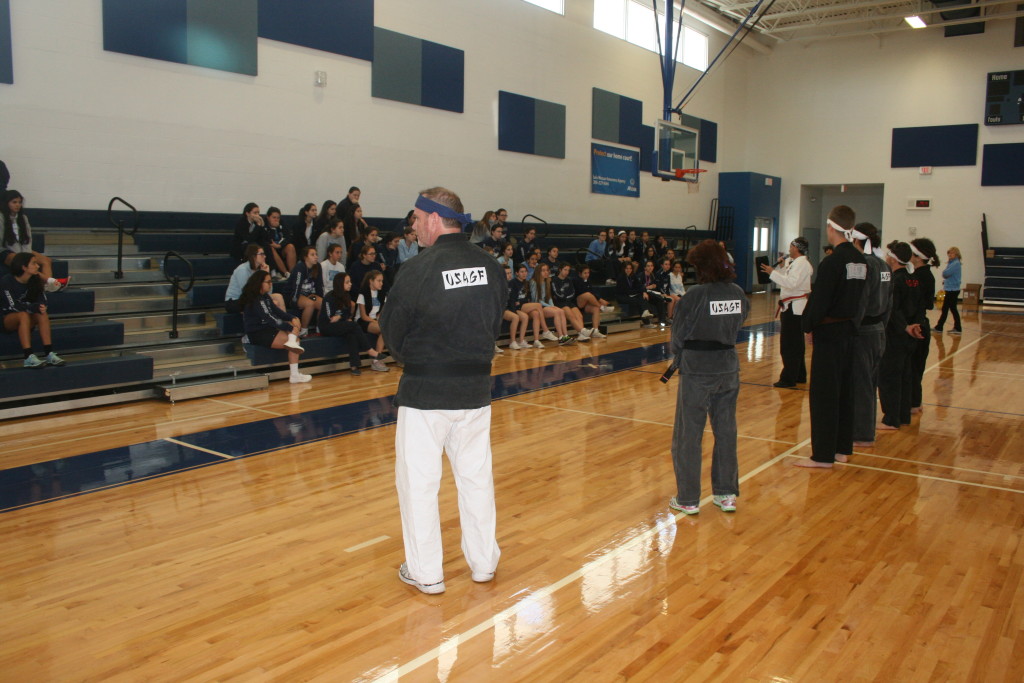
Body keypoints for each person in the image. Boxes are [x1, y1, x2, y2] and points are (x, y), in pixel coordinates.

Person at [378, 186, 508, 594]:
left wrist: (417, 358)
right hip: (475, 392)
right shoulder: (492, 267)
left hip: (425, 394)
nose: (412, 227)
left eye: (416, 218)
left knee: (418, 484)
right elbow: (493, 321)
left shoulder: (417, 270)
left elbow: (392, 333)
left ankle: (426, 572)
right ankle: (483, 563)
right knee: (476, 479)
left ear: (435, 218)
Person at [668, 240, 749, 515]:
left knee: (688, 434)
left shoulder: (695, 296)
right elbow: (741, 321)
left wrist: (679, 355)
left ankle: (688, 498)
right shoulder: (738, 293)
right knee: (726, 431)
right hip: (728, 368)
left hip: (697, 370)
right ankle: (726, 494)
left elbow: (678, 335)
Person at [794, 205, 867, 469]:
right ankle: (841, 449)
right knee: (845, 391)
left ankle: (823, 455)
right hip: (849, 331)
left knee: (825, 394)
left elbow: (820, 300)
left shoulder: (832, 262)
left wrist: (808, 325)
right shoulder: (860, 260)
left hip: (830, 332)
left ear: (830, 228)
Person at [849, 223, 892, 449]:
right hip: (878, 330)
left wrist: (852, 329)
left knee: (862, 383)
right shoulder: (884, 265)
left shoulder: (866, 265)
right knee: (871, 381)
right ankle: (866, 428)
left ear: (857, 241)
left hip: (864, 331)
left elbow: (861, 301)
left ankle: (862, 433)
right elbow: (889, 303)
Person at [878, 242, 923, 431]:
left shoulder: (894, 281)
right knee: (905, 375)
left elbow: (893, 309)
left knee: (889, 376)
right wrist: (914, 326)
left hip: (896, 334)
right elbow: (920, 306)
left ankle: (891, 418)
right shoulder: (913, 280)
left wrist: (904, 327)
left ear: (893, 259)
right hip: (911, 333)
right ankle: (903, 415)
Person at [239, 270, 310, 383]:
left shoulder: (265, 297)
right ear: (260, 283)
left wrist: (292, 318)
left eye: (271, 281)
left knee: (294, 329)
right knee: (295, 338)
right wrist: (290, 328)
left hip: (266, 329)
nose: (270, 284)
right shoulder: (256, 299)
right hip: (257, 333)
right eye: (268, 282)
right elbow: (270, 318)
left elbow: (277, 312)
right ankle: (294, 374)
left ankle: (294, 373)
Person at [760, 236, 813, 388]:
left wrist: (772, 272)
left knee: (789, 344)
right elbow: (789, 279)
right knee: (796, 343)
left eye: (791, 247)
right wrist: (782, 268)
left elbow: (791, 283)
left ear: (796, 248)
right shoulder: (796, 263)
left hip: (795, 308)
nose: (789, 250)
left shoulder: (801, 263)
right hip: (792, 306)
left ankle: (789, 378)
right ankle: (799, 374)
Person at [1, 252, 66, 368]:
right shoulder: (7, 281)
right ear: (24, 267)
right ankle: (28, 356)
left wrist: (41, 306)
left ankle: (49, 353)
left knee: (42, 313)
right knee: (23, 315)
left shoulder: (34, 279)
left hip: (25, 316)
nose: (37, 266)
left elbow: (42, 299)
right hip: (6, 319)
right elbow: (12, 306)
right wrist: (32, 307)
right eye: (34, 263)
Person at [319, 272, 380, 375]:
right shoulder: (329, 297)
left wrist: (339, 317)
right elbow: (329, 318)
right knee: (354, 325)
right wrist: (340, 317)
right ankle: (370, 350)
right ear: (340, 283)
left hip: (339, 324)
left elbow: (346, 315)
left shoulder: (346, 296)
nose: (350, 284)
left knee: (352, 334)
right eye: (347, 282)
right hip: (327, 327)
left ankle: (354, 366)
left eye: (350, 282)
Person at [2, 190, 64, 290]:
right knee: (26, 263)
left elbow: (28, 239)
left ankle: (46, 286)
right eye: (14, 202)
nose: (18, 205)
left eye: (19, 202)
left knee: (46, 260)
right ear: (6, 203)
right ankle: (51, 281)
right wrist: (24, 257)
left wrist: (27, 254)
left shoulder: (23, 218)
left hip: (23, 250)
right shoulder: (1, 217)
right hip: (6, 251)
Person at [908, 237, 939, 415]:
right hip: (923, 322)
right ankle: (916, 401)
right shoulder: (925, 275)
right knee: (917, 366)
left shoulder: (919, 277)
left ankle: (913, 402)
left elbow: (920, 303)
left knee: (913, 366)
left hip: (917, 324)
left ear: (918, 257)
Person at [225, 244, 285, 314]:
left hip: (253, 298)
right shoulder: (242, 270)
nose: (265, 257)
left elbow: (268, 292)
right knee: (273, 303)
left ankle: (285, 322)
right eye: (262, 254)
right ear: (253, 256)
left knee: (278, 297)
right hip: (235, 301)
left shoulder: (260, 269)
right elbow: (247, 292)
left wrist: (266, 275)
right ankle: (274, 323)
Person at [530, 263, 573, 345]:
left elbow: (549, 297)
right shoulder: (533, 282)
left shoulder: (547, 281)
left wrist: (553, 306)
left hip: (546, 305)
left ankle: (566, 335)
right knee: (556, 312)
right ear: (538, 272)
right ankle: (560, 337)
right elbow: (536, 300)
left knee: (561, 311)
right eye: (543, 271)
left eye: (547, 270)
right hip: (538, 306)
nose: (546, 272)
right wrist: (550, 306)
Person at [284, 246, 323, 334]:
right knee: (310, 304)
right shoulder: (300, 267)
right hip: (293, 295)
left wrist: (319, 297)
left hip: (309, 296)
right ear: (305, 257)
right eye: (312, 255)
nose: (316, 257)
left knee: (322, 303)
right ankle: (304, 330)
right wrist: (294, 303)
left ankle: (319, 327)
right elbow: (296, 288)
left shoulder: (318, 267)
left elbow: (319, 286)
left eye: (316, 254)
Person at [355, 270, 389, 371]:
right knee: (383, 328)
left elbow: (381, 313)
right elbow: (364, 316)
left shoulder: (382, 294)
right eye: (379, 281)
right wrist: (376, 322)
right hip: (363, 321)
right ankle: (376, 360)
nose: (381, 283)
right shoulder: (363, 294)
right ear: (371, 281)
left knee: (385, 329)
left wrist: (379, 321)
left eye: (382, 281)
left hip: (375, 320)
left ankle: (376, 360)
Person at [552, 263, 591, 341]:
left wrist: (567, 297)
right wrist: (564, 297)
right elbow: (556, 292)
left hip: (569, 301)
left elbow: (572, 292)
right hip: (560, 302)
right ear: (560, 270)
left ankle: (581, 335)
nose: (567, 272)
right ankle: (583, 331)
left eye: (568, 270)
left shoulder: (569, 280)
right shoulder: (554, 280)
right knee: (571, 315)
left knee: (579, 315)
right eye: (565, 270)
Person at [507, 264, 543, 348]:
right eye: (522, 272)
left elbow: (528, 298)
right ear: (516, 273)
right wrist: (518, 304)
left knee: (535, 313)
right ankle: (545, 330)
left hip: (523, 305)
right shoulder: (513, 283)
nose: (524, 274)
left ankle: (534, 340)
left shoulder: (526, 283)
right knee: (538, 305)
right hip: (516, 307)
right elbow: (513, 299)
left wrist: (521, 302)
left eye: (525, 271)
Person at [572, 264, 610, 338]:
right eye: (585, 273)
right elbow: (582, 292)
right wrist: (600, 302)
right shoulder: (575, 280)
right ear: (580, 273)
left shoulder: (587, 281)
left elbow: (593, 292)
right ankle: (602, 307)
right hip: (577, 303)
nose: (587, 275)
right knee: (588, 294)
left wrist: (601, 299)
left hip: (585, 304)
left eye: (588, 273)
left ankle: (596, 330)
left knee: (596, 308)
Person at [934, 246, 962, 335]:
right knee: (951, 308)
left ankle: (940, 327)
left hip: (952, 290)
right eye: (949, 253)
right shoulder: (951, 263)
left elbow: (946, 273)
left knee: (947, 308)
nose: (950, 254)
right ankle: (954, 327)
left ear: (956, 254)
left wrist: (945, 276)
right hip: (951, 288)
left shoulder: (955, 263)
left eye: (952, 253)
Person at [263, 206, 292, 277]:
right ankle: (285, 273)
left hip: (280, 247)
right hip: (269, 248)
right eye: (274, 217)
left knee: (290, 247)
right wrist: (273, 229)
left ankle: (292, 272)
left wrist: (280, 245)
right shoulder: (264, 224)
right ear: (268, 217)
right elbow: (267, 239)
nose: (276, 220)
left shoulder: (282, 223)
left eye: (278, 217)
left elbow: (288, 237)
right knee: (271, 248)